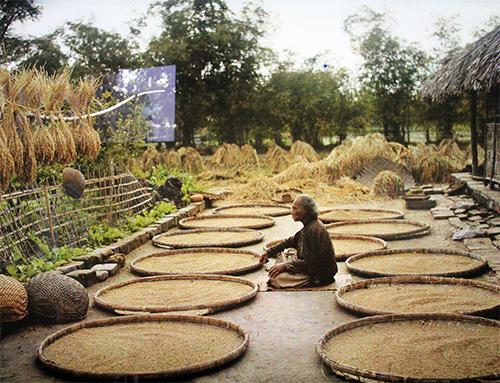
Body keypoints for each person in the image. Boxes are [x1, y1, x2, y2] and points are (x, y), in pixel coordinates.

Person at [260, 194, 337, 288]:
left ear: (306, 211)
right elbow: (290, 241)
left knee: (276, 279)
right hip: (309, 266)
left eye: (295, 208)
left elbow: (311, 264)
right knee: (284, 253)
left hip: (320, 275)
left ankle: (308, 281)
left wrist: (285, 266)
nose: (292, 212)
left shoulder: (314, 230)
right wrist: (269, 252)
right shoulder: (309, 225)